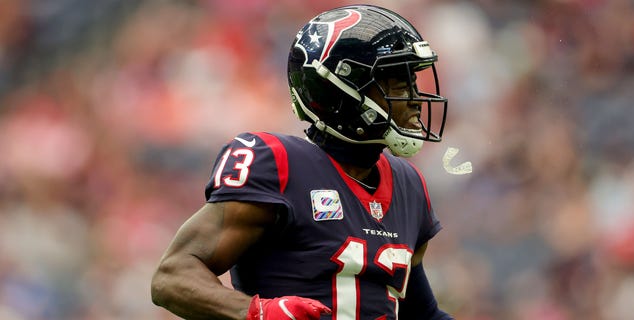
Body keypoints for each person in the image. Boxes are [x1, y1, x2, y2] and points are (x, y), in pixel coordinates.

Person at [151, 4, 453, 320]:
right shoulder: (279, 165)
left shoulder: (409, 185)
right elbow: (172, 276)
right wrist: (257, 313)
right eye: (399, 84)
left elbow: (421, 314)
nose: (416, 98)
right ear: (341, 90)